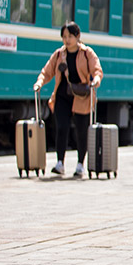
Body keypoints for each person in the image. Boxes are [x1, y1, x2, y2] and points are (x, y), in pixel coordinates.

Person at [33, 21, 103, 178]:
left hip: (82, 96)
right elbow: (47, 71)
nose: (67, 40)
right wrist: (39, 82)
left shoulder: (87, 53)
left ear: (78, 36)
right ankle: (60, 163)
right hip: (62, 96)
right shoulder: (59, 54)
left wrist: (96, 80)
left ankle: (80, 164)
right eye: (64, 36)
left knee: (81, 130)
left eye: (70, 36)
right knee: (62, 127)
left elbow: (97, 69)